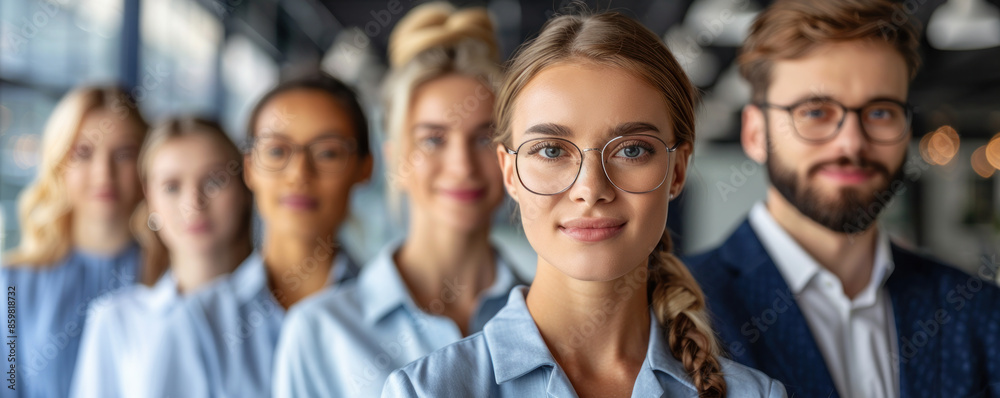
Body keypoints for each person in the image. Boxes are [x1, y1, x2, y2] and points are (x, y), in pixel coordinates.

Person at [381, 11, 785, 398]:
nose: (590, 189)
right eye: (552, 151)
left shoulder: (755, 395)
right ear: (509, 173)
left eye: (630, 150)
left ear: (677, 170)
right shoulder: (426, 391)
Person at [683, 0, 1000, 397]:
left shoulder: (979, 313)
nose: (852, 143)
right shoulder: (678, 311)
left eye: (881, 112)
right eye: (815, 111)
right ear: (754, 133)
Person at [271, 3, 523, 397]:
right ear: (396, 159)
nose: (461, 166)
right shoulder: (321, 332)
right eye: (433, 140)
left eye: (483, 138)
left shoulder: (543, 318)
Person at [70, 117, 253, 397]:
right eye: (172, 187)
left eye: (214, 180)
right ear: (150, 198)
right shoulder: (114, 321)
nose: (193, 203)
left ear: (243, 189)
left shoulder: (283, 312)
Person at [1, 86, 148, 398]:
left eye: (123, 154)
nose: (103, 173)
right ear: (58, 164)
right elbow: (8, 384)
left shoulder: (169, 278)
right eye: (83, 153)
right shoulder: (11, 286)